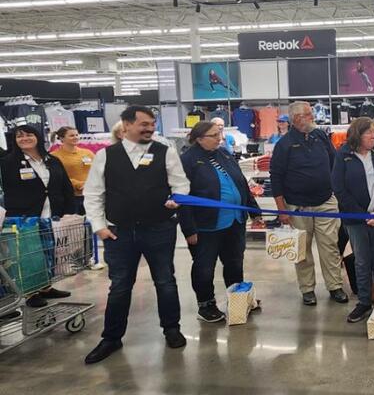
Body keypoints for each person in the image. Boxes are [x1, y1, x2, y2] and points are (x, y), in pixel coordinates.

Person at [82, 106, 191, 364]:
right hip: (119, 233)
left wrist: (178, 199)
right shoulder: (106, 156)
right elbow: (94, 193)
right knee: (119, 286)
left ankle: (171, 329)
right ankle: (111, 337)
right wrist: (99, 226)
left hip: (159, 229)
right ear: (126, 125)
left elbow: (181, 183)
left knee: (165, 281)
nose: (150, 128)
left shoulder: (166, 152)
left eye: (152, 124)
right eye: (144, 124)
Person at [179, 121, 259, 323]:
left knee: (234, 262)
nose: (219, 138)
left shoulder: (223, 153)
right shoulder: (187, 160)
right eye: (213, 135)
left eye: (219, 134)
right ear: (199, 138)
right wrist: (189, 229)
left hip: (234, 221)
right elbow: (181, 198)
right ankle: (206, 305)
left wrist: (253, 209)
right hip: (206, 226)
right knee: (204, 267)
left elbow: (240, 182)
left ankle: (238, 299)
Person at [270, 101, 348, 306]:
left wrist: (336, 193)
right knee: (302, 251)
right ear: (296, 119)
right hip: (298, 207)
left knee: (330, 246)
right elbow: (275, 178)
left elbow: (334, 162)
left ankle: (335, 286)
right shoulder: (284, 145)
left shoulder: (320, 136)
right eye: (308, 115)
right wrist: (282, 210)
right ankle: (307, 289)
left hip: (325, 202)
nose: (312, 118)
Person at [0, 124, 76, 306]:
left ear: (38, 137)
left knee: (49, 252)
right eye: (20, 136)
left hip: (52, 215)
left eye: (29, 135)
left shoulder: (52, 160)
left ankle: (46, 287)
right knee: (29, 256)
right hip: (24, 218)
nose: (24, 138)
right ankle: (31, 293)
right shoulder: (7, 162)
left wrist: (69, 210)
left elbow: (65, 186)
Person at [332, 117, 374, 323]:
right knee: (361, 260)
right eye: (369, 133)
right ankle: (364, 302)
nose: (373, 136)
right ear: (358, 134)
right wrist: (362, 214)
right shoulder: (343, 155)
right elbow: (339, 188)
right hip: (356, 220)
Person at [52, 126, 96, 213]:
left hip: (90, 194)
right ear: (61, 138)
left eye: (76, 135)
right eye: (71, 135)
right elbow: (58, 177)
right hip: (70, 196)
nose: (75, 137)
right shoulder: (55, 156)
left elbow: (97, 170)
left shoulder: (88, 153)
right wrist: (79, 184)